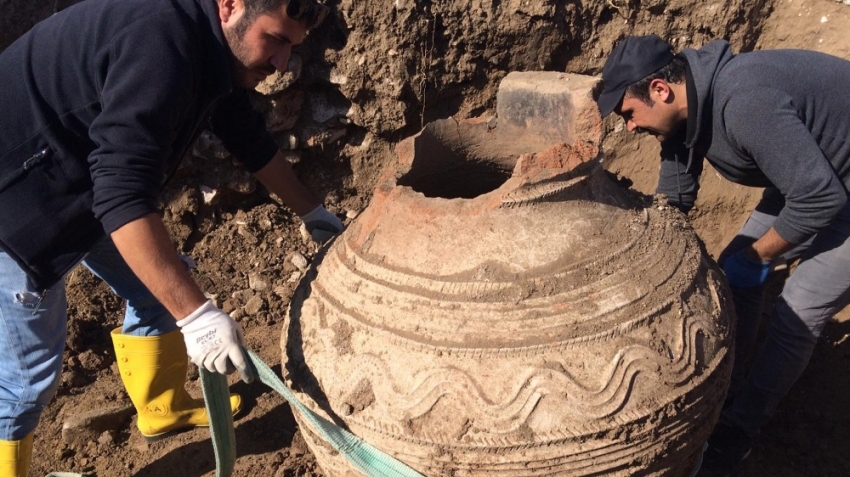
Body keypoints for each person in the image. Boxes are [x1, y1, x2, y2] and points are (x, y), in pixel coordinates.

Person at [0, 0, 344, 474]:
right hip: (15, 200)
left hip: (73, 178)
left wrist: (314, 212)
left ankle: (160, 410)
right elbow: (121, 195)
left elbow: (245, 133)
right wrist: (198, 317)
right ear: (230, 6)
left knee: (161, 284)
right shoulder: (161, 47)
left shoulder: (207, 43)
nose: (283, 63)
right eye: (277, 40)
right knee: (26, 376)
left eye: (293, 46)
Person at [596, 35, 850, 477]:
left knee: (797, 311)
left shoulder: (743, 103)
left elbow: (819, 198)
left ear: (660, 89)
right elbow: (673, 197)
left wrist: (757, 257)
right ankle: (729, 382)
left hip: (830, 187)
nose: (629, 127)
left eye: (629, 114)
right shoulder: (686, 108)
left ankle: (738, 433)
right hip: (815, 170)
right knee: (735, 265)